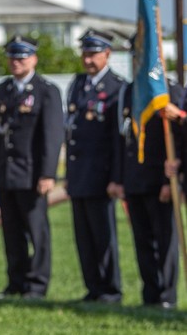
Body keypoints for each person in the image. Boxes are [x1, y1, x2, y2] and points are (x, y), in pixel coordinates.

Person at [0, 36, 63, 300]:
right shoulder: (4, 88)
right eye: (12, 57)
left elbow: (52, 136)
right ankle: (15, 283)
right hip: (7, 173)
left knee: (37, 232)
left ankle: (37, 285)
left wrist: (48, 173)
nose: (16, 62)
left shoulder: (46, 90)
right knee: (12, 232)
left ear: (34, 59)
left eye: (22, 57)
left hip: (32, 174)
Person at [109, 42, 183, 310]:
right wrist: (120, 178)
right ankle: (150, 294)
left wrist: (170, 182)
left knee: (165, 241)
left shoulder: (170, 91)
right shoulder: (129, 91)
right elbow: (122, 139)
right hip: (134, 179)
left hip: (159, 180)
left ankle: (167, 295)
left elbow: (177, 142)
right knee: (142, 241)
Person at [64, 29, 126, 304]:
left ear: (108, 54)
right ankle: (93, 287)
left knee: (104, 236)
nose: (88, 59)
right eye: (85, 53)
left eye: (94, 53)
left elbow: (117, 139)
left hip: (102, 175)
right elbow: (72, 133)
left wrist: (116, 177)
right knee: (84, 237)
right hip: (79, 174)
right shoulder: (78, 84)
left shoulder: (116, 87)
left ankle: (110, 289)